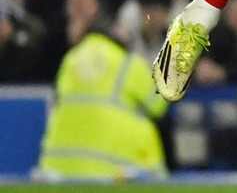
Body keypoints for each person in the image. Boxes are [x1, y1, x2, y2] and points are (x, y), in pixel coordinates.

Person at [34, 24, 167, 181]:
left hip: (56, 169)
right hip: (110, 169)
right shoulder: (127, 62)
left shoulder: (70, 59)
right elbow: (159, 105)